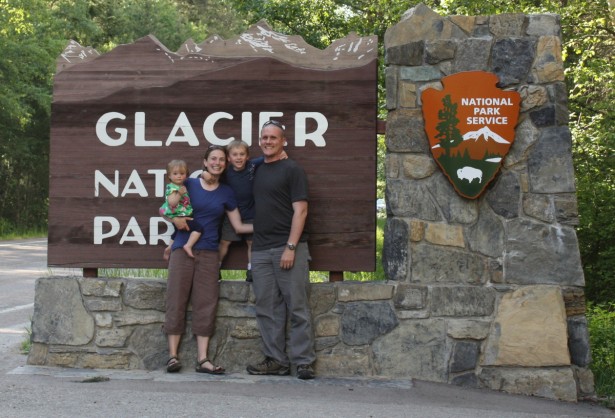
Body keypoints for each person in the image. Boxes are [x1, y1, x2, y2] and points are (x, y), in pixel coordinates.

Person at [163, 145, 253, 374]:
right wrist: (175, 223)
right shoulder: (189, 184)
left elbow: (239, 226)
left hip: (210, 253)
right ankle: (173, 356)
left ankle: (203, 359)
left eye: (221, 159)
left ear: (226, 164)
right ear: (204, 162)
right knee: (176, 299)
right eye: (213, 158)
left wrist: (270, 226)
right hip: (183, 250)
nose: (217, 162)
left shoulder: (226, 192)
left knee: (206, 303)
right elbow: (164, 209)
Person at [246, 120, 316, 380]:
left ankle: (304, 362)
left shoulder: (292, 169)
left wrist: (291, 247)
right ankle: (276, 360)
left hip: (288, 248)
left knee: (297, 306)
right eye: (264, 137)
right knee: (267, 308)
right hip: (261, 250)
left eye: (273, 137)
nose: (268, 141)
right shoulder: (256, 168)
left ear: (283, 141)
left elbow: (302, 210)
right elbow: (234, 165)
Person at [205, 140, 264, 282]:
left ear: (247, 156)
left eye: (242, 154)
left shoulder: (252, 166)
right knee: (225, 241)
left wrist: (282, 154)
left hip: (251, 213)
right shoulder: (225, 172)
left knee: (251, 243)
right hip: (231, 213)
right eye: (235, 155)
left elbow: (267, 157)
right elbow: (210, 174)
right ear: (228, 158)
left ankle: (251, 270)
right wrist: (203, 174)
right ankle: (216, 268)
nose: (239, 157)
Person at [159, 160, 202, 260]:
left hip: (181, 214)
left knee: (176, 232)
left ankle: (169, 247)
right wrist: (179, 194)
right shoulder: (172, 188)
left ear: (186, 175)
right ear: (169, 175)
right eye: (175, 174)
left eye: (182, 173)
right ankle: (188, 245)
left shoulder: (180, 186)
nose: (179, 176)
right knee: (198, 228)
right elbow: (172, 202)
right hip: (179, 215)